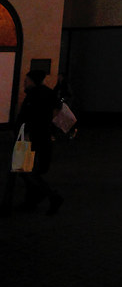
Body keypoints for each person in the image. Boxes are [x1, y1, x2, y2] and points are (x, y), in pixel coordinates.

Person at [14, 70, 63, 214]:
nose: (24, 82)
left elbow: (30, 116)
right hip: (43, 136)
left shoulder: (34, 95)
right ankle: (32, 200)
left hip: (31, 137)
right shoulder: (48, 93)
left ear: (32, 81)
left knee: (26, 170)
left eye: (26, 80)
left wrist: (26, 133)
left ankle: (50, 195)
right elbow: (57, 109)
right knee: (26, 170)